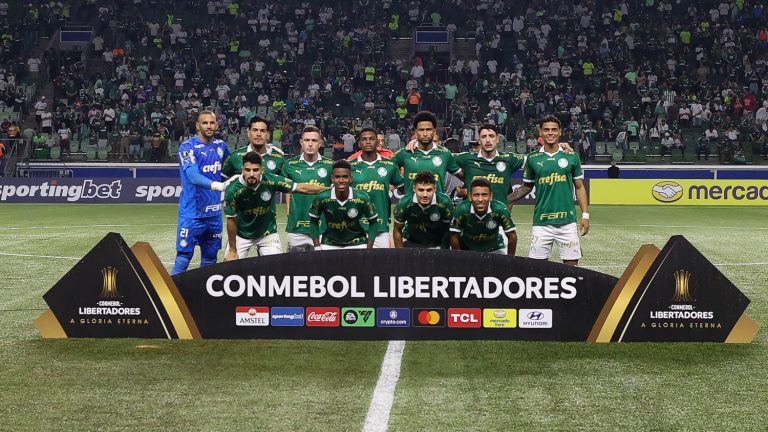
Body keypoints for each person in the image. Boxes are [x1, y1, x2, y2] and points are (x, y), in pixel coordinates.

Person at [507, 115, 589, 266]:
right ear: (541, 132)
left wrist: (585, 215)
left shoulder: (571, 156)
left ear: (559, 132)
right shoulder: (532, 158)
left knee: (572, 269)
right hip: (541, 223)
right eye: (546, 130)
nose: (550, 133)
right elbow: (526, 187)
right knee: (537, 270)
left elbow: (579, 187)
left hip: (567, 222)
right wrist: (505, 201)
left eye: (554, 130)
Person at [223, 152, 328, 260]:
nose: (251, 174)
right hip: (241, 235)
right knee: (228, 266)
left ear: (262, 170)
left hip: (267, 234)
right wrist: (232, 250)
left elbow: (302, 188)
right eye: (247, 170)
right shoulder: (232, 190)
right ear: (242, 170)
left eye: (255, 170)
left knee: (276, 267)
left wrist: (329, 190)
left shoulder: (271, 180)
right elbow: (231, 221)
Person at [171, 110, 232, 275]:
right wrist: (216, 185)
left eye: (212, 123)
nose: (209, 126)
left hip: (214, 215)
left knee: (211, 259)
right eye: (205, 123)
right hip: (192, 214)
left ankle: (203, 298)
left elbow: (232, 167)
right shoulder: (187, 147)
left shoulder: (221, 146)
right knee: (183, 258)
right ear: (197, 126)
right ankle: (168, 298)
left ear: (217, 125)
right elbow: (192, 176)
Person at [281, 125, 334, 252]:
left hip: (323, 228)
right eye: (307, 140)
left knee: (324, 269)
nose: (310, 144)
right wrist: (288, 209)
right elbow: (287, 189)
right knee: (295, 269)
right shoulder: (290, 165)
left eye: (314, 141)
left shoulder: (330, 165)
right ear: (301, 142)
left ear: (320, 143)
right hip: (297, 228)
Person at [350, 128, 404, 248]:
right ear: (359, 143)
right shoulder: (350, 166)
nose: (368, 142)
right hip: (354, 228)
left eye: (371, 139)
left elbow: (406, 190)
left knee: (382, 265)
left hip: (380, 228)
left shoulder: (390, 166)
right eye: (364, 139)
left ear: (377, 142)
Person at [309, 159, 378, 250]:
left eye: (345, 177)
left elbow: (373, 222)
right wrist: (317, 246)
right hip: (329, 242)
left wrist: (369, 247)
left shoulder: (363, 198)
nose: (341, 180)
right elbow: (313, 221)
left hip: (357, 242)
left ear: (351, 179)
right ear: (332, 179)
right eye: (337, 177)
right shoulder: (321, 197)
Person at [392, 111, 461, 193]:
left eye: (428, 130)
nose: (425, 134)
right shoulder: (404, 153)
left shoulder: (445, 154)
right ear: (416, 131)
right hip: (411, 204)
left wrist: (466, 189)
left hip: (438, 204)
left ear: (434, 131)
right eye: (421, 130)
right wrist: (401, 185)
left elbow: (462, 175)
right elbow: (387, 168)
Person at [449, 178, 517, 255]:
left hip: (495, 248)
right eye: (476, 195)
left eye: (484, 195)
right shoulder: (461, 209)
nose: (480, 199)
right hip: (467, 249)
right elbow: (454, 236)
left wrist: (510, 260)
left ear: (490, 196)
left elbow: (512, 236)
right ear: (470, 196)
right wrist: (459, 257)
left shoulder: (500, 209)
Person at [392, 171, 454, 249]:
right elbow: (397, 229)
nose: (425, 195)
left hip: (435, 244)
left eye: (429, 190)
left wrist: (444, 251)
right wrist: (400, 253)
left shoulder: (445, 202)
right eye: (421, 190)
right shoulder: (404, 203)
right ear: (414, 189)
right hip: (410, 241)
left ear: (435, 189)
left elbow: (447, 230)